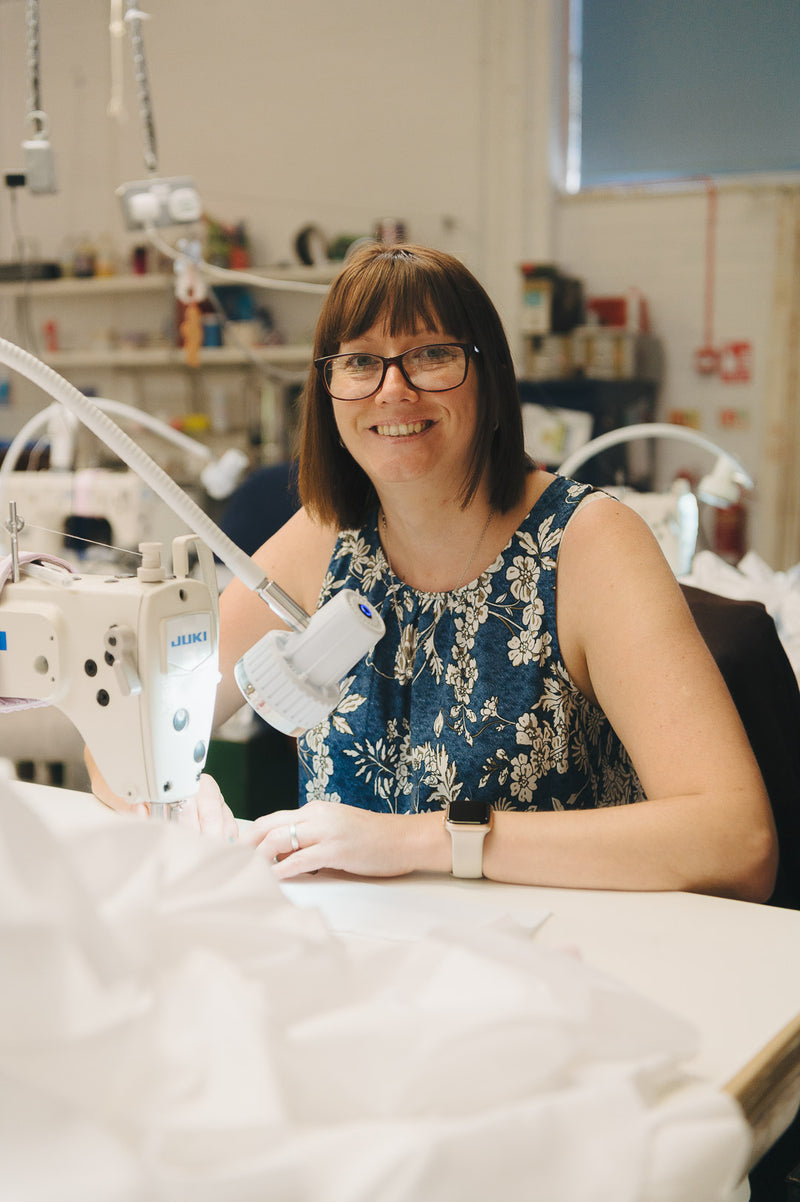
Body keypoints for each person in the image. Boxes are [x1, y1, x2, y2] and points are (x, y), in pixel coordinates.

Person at [89, 242, 777, 901]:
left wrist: (423, 842)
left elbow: (735, 841)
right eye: (360, 362)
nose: (394, 389)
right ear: (327, 390)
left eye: (432, 355)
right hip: (371, 958)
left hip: (562, 964)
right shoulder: (325, 540)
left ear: (492, 378)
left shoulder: (589, 544)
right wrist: (164, 794)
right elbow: (134, 724)